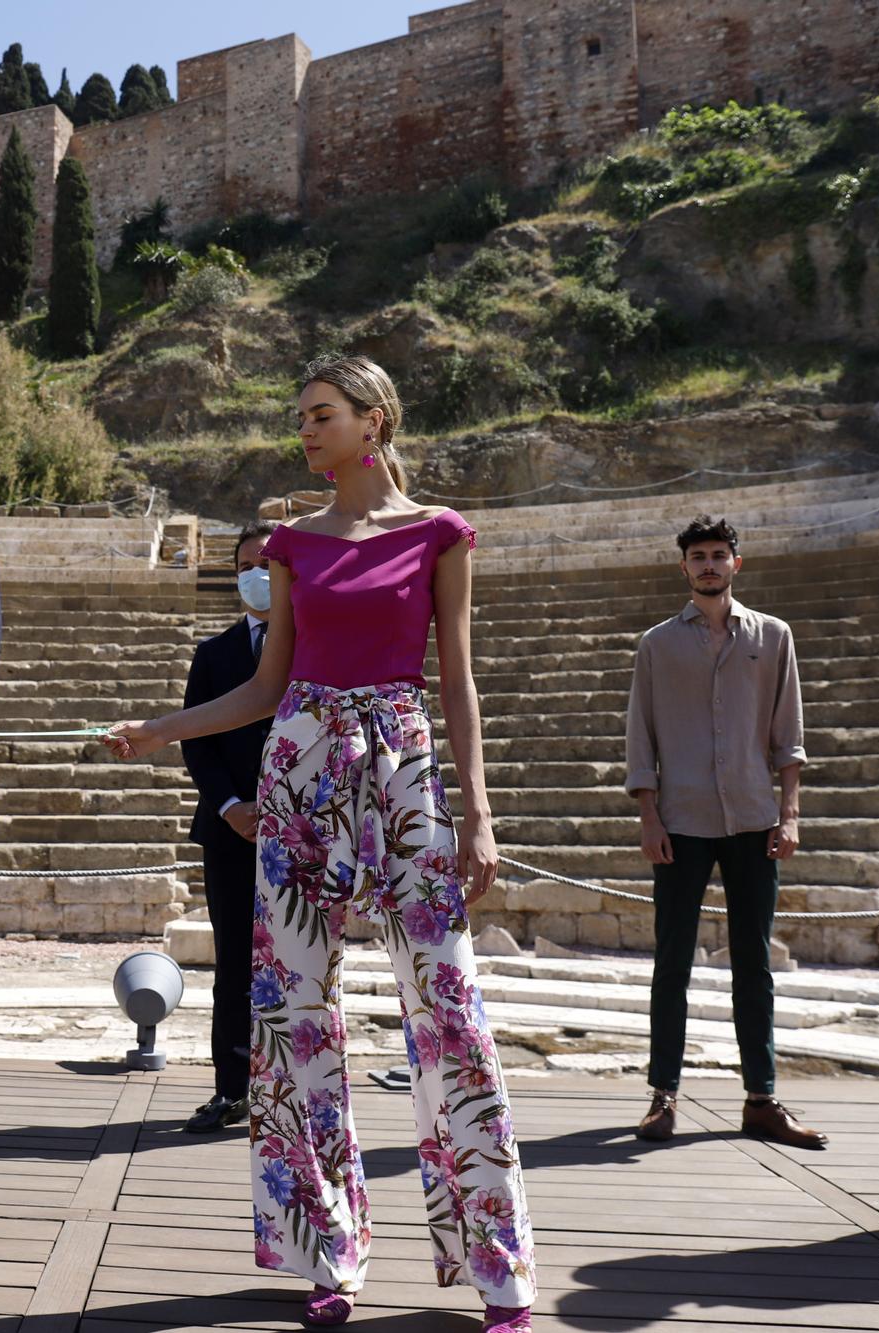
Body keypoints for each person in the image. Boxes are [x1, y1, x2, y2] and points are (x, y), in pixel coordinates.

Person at [106, 356, 535, 1331]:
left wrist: (478, 810)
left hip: (401, 768)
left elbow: (457, 681)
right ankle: (327, 1255)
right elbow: (262, 687)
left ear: (372, 422)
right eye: (298, 415)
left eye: (320, 414)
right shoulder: (292, 544)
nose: (303, 429)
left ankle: (495, 1260)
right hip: (298, 765)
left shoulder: (440, 534)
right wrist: (157, 730)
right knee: (293, 1011)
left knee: (447, 1003)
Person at [625, 516, 826, 1149]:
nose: (709, 565)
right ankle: (663, 1095)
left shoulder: (775, 636)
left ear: (737, 563)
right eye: (697, 557)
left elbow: (787, 733)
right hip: (680, 823)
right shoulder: (656, 645)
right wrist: (649, 816)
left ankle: (762, 1098)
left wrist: (790, 812)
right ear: (683, 567)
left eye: (718, 555)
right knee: (672, 963)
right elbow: (641, 737)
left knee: (754, 964)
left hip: (753, 818)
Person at [178, 519, 275, 1135]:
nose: (255, 574)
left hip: (304, 833)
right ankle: (232, 1089)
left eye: (266, 562)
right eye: (244, 565)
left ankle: (294, 1092)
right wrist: (231, 805)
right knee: (235, 965)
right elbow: (195, 741)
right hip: (230, 830)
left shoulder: (318, 648)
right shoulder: (213, 655)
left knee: (305, 965)